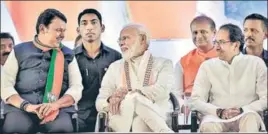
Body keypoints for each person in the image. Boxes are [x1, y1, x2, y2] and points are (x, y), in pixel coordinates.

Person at [1, 8, 83, 133]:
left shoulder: (68, 54)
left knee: (62, 130)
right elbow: (5, 85)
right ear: (42, 28)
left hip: (57, 108)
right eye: (58, 30)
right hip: (21, 108)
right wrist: (27, 106)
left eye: (64, 31)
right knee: (15, 129)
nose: (62, 35)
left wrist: (56, 105)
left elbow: (76, 87)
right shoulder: (19, 50)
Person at [95, 24, 174, 132]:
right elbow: (100, 101)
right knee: (134, 100)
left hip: (157, 112)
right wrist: (110, 100)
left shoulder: (164, 63)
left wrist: (132, 95)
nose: (121, 43)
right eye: (120, 39)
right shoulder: (115, 67)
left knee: (139, 121)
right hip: (122, 117)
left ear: (142, 39)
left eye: (125, 38)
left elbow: (162, 90)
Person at [190, 23, 267, 132]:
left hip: (246, 114)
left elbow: (266, 98)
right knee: (208, 126)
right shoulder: (207, 66)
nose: (216, 47)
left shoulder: (256, 63)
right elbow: (195, 100)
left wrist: (242, 110)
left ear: (235, 45)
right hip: (216, 117)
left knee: (250, 119)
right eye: (216, 42)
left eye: (221, 42)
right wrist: (218, 111)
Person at [74, 8, 122, 132]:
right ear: (78, 30)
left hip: (109, 114)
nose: (89, 27)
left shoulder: (116, 56)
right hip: (78, 116)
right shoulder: (70, 58)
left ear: (102, 27)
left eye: (94, 22)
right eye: (84, 23)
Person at [174, 15, 217, 116]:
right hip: (191, 109)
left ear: (214, 33)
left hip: (218, 107)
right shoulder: (183, 62)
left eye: (203, 32)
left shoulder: (225, 57)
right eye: (195, 32)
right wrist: (182, 107)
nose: (198, 36)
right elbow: (177, 93)